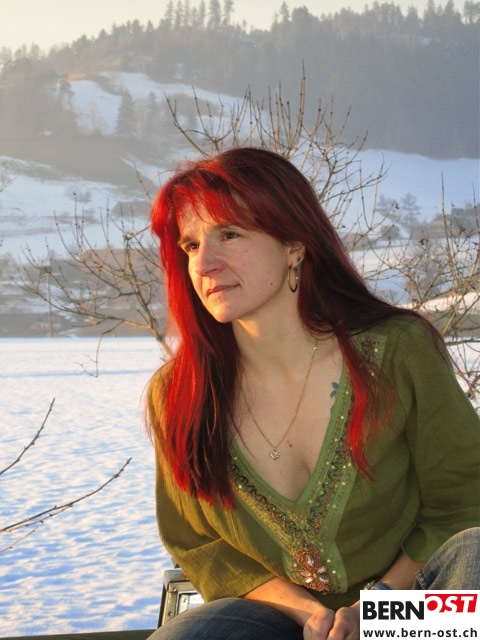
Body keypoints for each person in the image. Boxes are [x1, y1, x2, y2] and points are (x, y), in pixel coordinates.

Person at [145, 147, 480, 640]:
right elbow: (197, 543)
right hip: (281, 622)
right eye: (191, 245)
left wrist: (380, 609)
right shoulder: (179, 393)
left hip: (414, 612)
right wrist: (306, 612)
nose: (205, 264)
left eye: (229, 234)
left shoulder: (397, 352)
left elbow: (464, 502)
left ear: (294, 245)